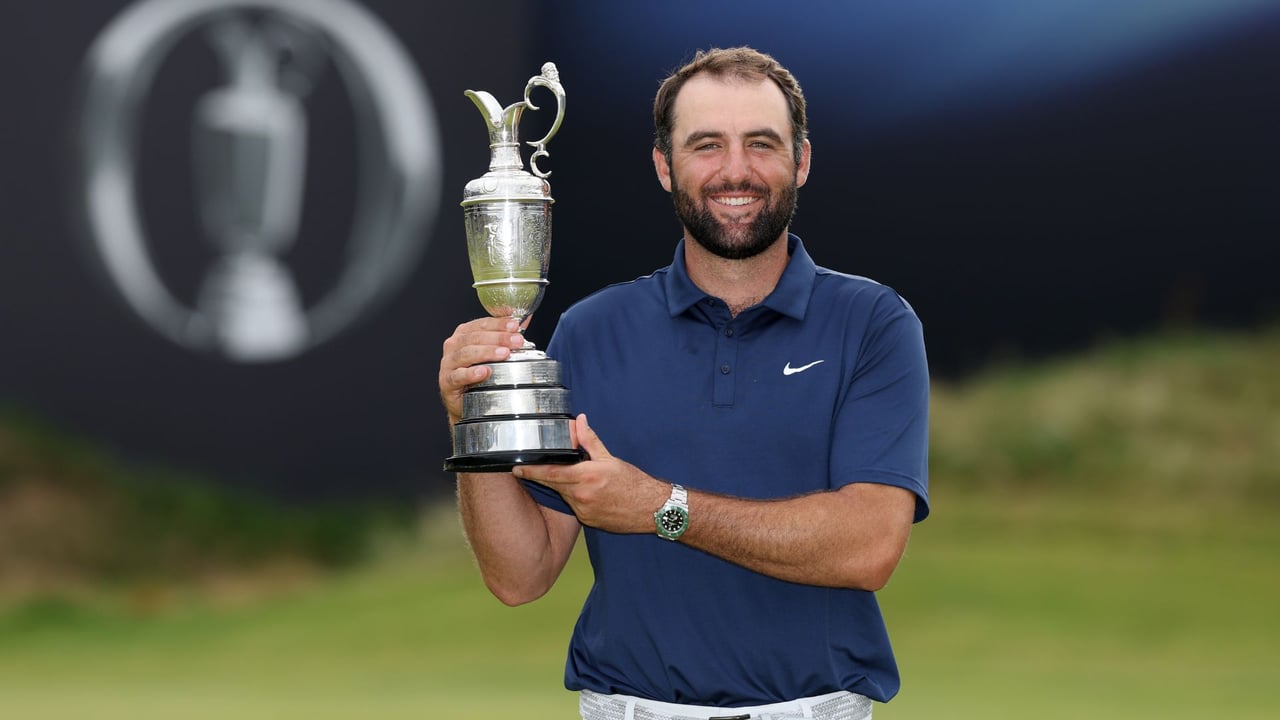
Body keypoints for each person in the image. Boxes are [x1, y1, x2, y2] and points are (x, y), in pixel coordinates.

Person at [439, 46, 929, 720]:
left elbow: (870, 545)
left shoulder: (873, 323)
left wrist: (661, 507)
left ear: (802, 160)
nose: (735, 170)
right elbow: (520, 576)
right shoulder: (590, 329)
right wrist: (475, 415)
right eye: (706, 145)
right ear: (665, 167)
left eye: (762, 143)